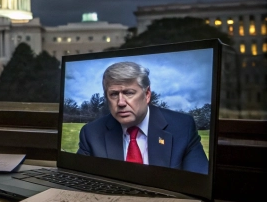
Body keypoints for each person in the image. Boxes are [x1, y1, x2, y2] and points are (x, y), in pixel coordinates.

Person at [76, 61, 207, 174]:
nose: (121, 102)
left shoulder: (182, 127)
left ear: (147, 94)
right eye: (114, 94)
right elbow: (79, 181)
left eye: (129, 93)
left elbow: (199, 183)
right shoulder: (92, 133)